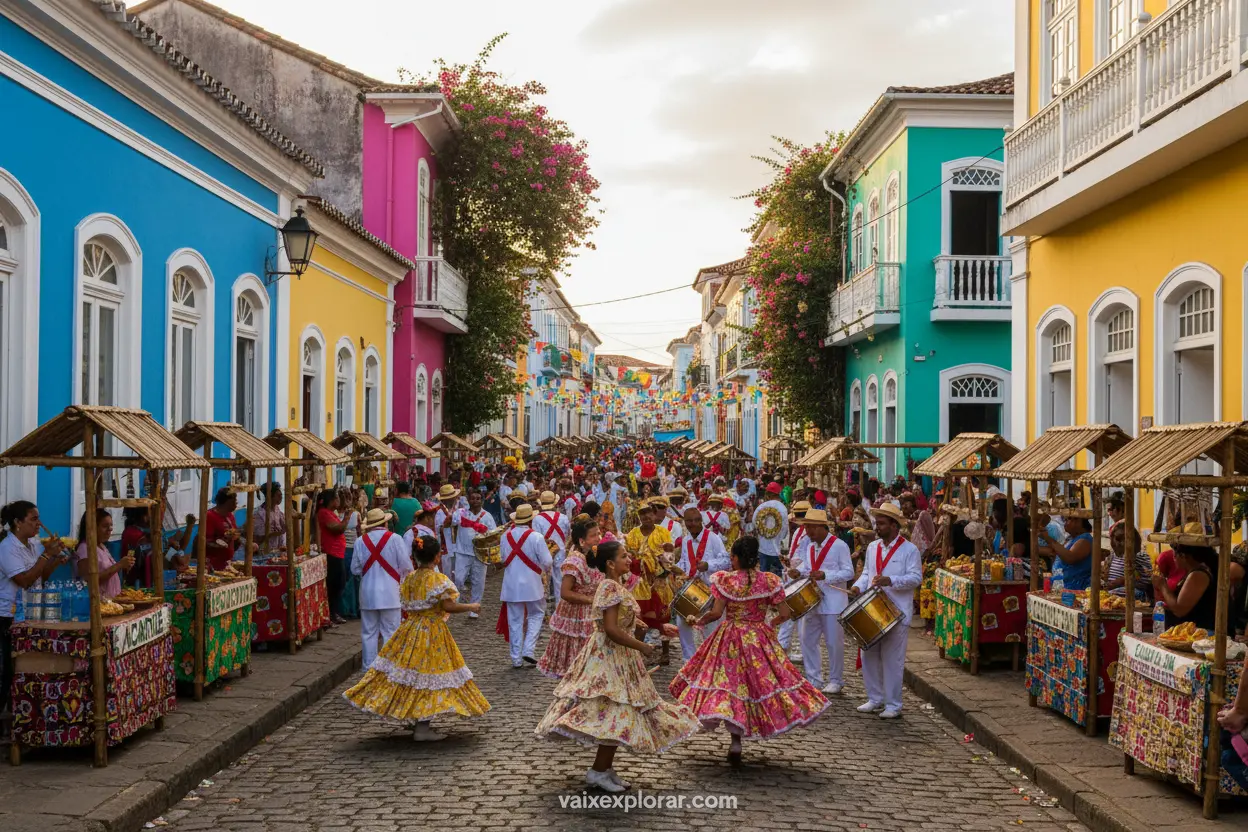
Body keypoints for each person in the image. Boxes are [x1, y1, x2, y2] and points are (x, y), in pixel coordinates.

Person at [535, 540, 700, 792]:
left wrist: (645, 626)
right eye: (624, 556)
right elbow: (610, 629)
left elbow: (618, 622)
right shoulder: (610, 587)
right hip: (610, 657)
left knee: (619, 712)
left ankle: (604, 768)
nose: (628, 559)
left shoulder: (616, 585)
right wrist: (641, 646)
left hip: (618, 656)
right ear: (611, 564)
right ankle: (598, 771)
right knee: (614, 711)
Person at [670, 537, 829, 764]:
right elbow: (784, 613)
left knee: (730, 684)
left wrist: (698, 620)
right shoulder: (769, 581)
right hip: (758, 638)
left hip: (730, 637)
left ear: (735, 558)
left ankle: (735, 738)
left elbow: (716, 613)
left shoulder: (726, 581)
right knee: (758, 684)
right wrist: (770, 626)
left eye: (732, 557)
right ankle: (741, 736)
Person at [343, 534, 488, 741]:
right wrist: (471, 606)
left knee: (409, 673)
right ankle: (422, 726)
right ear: (437, 557)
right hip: (431, 632)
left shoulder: (410, 578)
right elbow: (447, 606)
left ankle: (414, 717)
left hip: (410, 630)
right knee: (427, 675)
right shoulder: (437, 580)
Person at [849, 502, 923, 719]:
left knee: (892, 660)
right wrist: (858, 586)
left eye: (881, 524)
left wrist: (892, 580)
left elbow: (916, 578)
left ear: (894, 526)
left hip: (897, 612)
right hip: (873, 608)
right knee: (868, 654)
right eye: (877, 523)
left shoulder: (910, 550)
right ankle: (875, 698)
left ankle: (893, 704)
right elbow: (867, 575)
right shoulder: (872, 548)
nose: (877, 527)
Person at [1, 501, 69, 724]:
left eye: (38, 518)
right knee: (8, 670)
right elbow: (25, 581)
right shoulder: (6, 549)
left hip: (29, 612)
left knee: (26, 666)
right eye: (33, 519)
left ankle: (22, 715)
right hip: (8, 615)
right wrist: (45, 556)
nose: (39, 523)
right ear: (17, 523)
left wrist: (55, 559)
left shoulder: (32, 545)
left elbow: (41, 577)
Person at [788, 509, 853, 694]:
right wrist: (798, 572)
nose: (807, 531)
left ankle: (836, 680)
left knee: (834, 642)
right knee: (807, 638)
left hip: (833, 601)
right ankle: (813, 678)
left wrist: (827, 575)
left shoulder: (840, 546)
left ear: (821, 527)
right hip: (813, 600)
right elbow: (809, 568)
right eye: (806, 527)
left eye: (810, 527)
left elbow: (848, 572)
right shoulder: (810, 547)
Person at [538, 517, 604, 679]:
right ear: (582, 541)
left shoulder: (593, 555)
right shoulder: (574, 561)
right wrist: (591, 600)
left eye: (598, 534)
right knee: (578, 664)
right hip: (577, 617)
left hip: (592, 613)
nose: (598, 538)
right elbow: (566, 593)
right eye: (593, 535)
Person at [351, 508, 414, 667]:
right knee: (391, 632)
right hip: (390, 593)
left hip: (367, 593)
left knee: (368, 633)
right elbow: (407, 566)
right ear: (385, 522)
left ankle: (368, 668)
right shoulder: (395, 539)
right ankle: (388, 668)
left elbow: (355, 569)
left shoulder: (360, 541)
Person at [500, 504, 554, 667]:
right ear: (531, 519)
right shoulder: (536, 537)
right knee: (536, 614)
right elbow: (548, 561)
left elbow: (503, 559)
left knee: (514, 620)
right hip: (532, 584)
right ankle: (528, 650)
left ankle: (516, 658)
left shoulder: (505, 537)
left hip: (511, 584)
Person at [673, 507, 729, 662]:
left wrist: (708, 565)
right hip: (692, 590)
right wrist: (675, 567)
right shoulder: (686, 540)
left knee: (711, 629)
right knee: (682, 621)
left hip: (712, 592)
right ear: (685, 522)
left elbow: (726, 561)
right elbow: (685, 563)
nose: (693, 524)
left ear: (701, 521)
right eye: (689, 521)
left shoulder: (714, 539)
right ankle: (688, 660)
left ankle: (713, 662)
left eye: (696, 520)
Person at [624, 500, 676, 665]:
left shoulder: (663, 532)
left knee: (663, 617)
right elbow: (629, 558)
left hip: (660, 583)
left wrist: (660, 571)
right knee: (640, 618)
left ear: (655, 514)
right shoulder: (632, 534)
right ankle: (639, 653)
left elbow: (669, 557)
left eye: (649, 512)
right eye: (642, 513)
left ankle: (665, 653)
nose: (646, 516)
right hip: (639, 583)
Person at [1153, 543, 1217, 632]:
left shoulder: (1198, 574)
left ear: (1183, 556)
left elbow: (1180, 610)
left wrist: (1163, 585)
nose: (1174, 560)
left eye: (1175, 556)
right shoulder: (1191, 572)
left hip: (1196, 633)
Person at [453, 488, 496, 618]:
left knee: (478, 582)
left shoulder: (487, 516)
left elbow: (493, 535)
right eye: (473, 498)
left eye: (478, 498)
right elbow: (450, 523)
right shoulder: (460, 513)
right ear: (468, 499)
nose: (475, 501)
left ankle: (474, 608)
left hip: (480, 554)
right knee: (459, 579)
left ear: (481, 500)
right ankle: (457, 601)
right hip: (462, 551)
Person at [74, 509, 132, 599]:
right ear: (92, 528)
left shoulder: (101, 546)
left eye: (111, 525)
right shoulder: (84, 549)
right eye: (105, 526)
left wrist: (124, 566)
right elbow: (89, 581)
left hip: (111, 602)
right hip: (99, 604)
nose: (110, 529)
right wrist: (119, 565)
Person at [317, 489, 349, 625]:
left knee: (339, 583)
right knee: (335, 584)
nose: (338, 501)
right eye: (336, 498)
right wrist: (347, 517)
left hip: (337, 553)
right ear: (331, 500)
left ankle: (334, 612)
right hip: (332, 553)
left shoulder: (330, 513)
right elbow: (338, 528)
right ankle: (332, 613)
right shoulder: (324, 513)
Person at [535, 491, 571, 605]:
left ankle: (542, 609)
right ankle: (559, 608)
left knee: (542, 582)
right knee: (559, 581)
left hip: (544, 553)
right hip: (560, 552)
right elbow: (567, 534)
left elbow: (537, 538)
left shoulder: (537, 519)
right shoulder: (563, 517)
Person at [1039, 516, 1094, 591]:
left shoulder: (1085, 539)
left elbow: (1070, 557)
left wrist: (1048, 538)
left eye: (1069, 519)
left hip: (1076, 589)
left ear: (1078, 522)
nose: (1066, 521)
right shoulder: (1070, 539)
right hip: (1062, 587)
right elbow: (1058, 553)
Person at [752, 482, 789, 576]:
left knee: (764, 577)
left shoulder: (761, 507)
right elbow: (785, 529)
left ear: (768, 494)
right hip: (778, 549)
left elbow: (754, 525)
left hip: (763, 548)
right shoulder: (783, 508)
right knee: (778, 577)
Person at [203, 488, 242, 571]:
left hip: (227, 564)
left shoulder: (230, 516)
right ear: (228, 501)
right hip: (213, 565)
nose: (236, 503)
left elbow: (235, 536)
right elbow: (205, 542)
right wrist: (222, 543)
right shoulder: (210, 516)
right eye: (235, 501)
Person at [432, 483, 462, 575]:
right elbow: (439, 529)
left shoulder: (457, 510)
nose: (453, 500)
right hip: (446, 547)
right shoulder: (440, 512)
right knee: (446, 573)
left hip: (457, 546)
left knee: (457, 572)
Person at [250, 482, 285, 554]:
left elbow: (282, 527)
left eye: (281, 495)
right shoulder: (258, 514)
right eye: (278, 495)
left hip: (277, 552)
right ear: (270, 496)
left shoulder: (277, 509)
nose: (281, 497)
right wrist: (273, 534)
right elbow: (255, 538)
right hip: (262, 552)